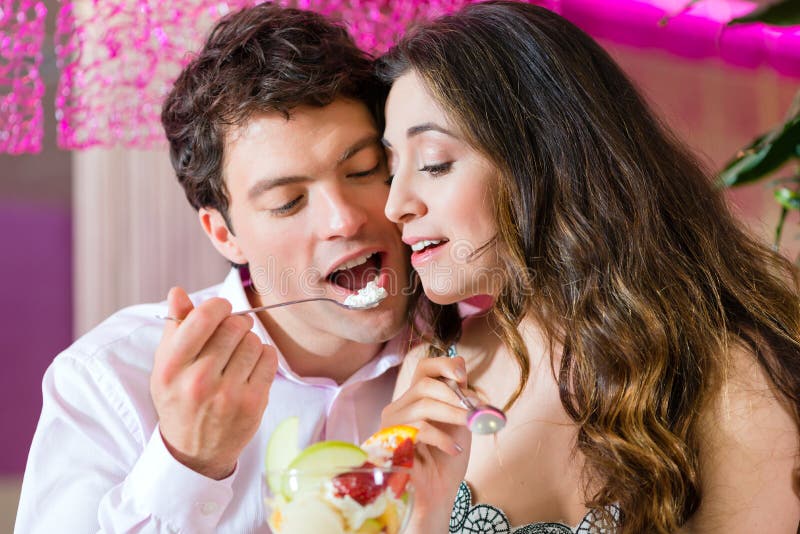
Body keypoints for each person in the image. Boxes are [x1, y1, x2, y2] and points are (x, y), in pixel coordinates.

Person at [377, 2, 800, 533]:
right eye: (392, 169)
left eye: (434, 162)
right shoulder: (432, 375)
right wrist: (416, 515)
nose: (396, 205)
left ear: (547, 157)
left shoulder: (727, 377)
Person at [15, 4, 413, 533]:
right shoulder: (105, 380)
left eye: (363, 170)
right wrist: (189, 462)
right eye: (289, 201)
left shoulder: (496, 348)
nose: (344, 219)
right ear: (225, 234)